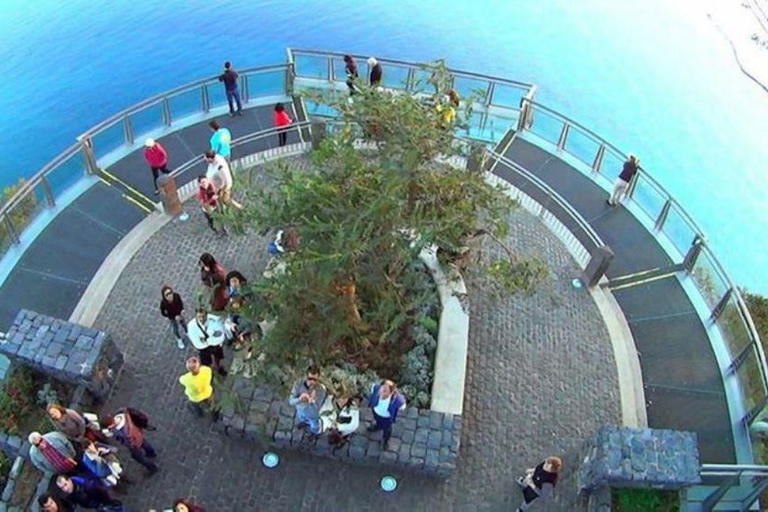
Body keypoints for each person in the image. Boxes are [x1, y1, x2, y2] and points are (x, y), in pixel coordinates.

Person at [102, 408, 158, 475]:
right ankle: (151, 452)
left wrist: (111, 432)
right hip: (136, 432)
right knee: (143, 441)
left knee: (138, 457)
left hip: (132, 443)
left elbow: (122, 438)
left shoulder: (116, 430)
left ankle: (152, 467)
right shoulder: (123, 415)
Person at [187, 307, 228, 376]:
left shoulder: (214, 320)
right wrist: (210, 338)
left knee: (217, 356)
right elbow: (195, 340)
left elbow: (220, 333)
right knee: (206, 362)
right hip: (203, 348)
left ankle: (217, 367)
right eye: (199, 317)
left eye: (203, 316)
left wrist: (208, 340)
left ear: (207, 315)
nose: (202, 319)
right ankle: (210, 372)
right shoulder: (191, 326)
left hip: (215, 344)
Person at [366, 379, 406, 450]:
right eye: (382, 388)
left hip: (386, 418)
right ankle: (377, 426)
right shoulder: (375, 387)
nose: (381, 392)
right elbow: (372, 391)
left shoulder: (397, 399)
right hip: (376, 412)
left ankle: (385, 441)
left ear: (391, 392)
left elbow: (402, 406)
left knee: (387, 429)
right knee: (377, 421)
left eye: (385, 391)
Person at [288, 365, 327, 435]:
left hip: (312, 416)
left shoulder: (321, 391)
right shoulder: (298, 384)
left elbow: (316, 411)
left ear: (318, 378)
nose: (312, 382)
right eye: (310, 378)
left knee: (314, 427)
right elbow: (291, 401)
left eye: (315, 380)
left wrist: (312, 402)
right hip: (301, 411)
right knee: (302, 419)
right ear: (306, 377)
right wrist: (299, 399)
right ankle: (304, 423)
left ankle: (313, 434)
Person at [56, 475, 123, 511]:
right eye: (62, 488)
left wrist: (106, 504)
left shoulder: (85, 485)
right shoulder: (70, 494)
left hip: (105, 503)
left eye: (65, 485)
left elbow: (102, 491)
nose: (65, 489)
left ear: (69, 480)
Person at [160, 285, 187, 350]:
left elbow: (180, 303)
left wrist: (182, 310)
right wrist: (173, 317)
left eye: (170, 293)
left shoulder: (176, 296)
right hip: (172, 317)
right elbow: (163, 313)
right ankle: (179, 339)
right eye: (167, 295)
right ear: (164, 296)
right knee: (175, 328)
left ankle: (187, 332)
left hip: (179, 314)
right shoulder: (163, 303)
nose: (170, 295)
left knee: (184, 324)